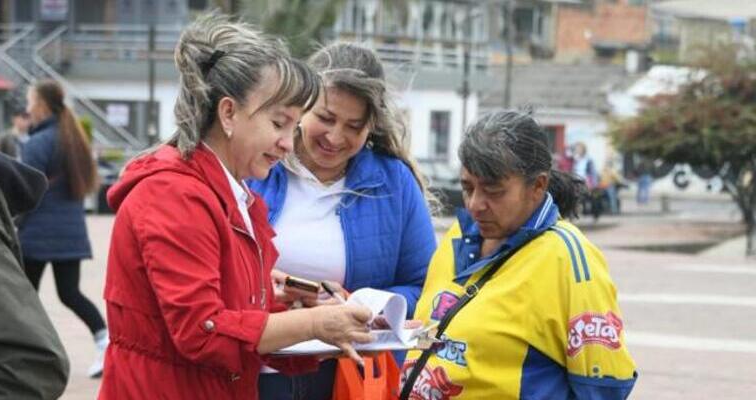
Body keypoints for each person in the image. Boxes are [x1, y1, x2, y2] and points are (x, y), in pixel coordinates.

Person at [98, 13, 373, 400]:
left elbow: (235, 320)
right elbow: (202, 329)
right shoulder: (174, 196)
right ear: (228, 113)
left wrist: (317, 320)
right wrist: (313, 323)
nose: (287, 144)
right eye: (278, 123)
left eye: (291, 127)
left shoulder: (231, 195)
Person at [400, 111, 637, 399]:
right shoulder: (458, 236)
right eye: (467, 188)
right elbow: (450, 336)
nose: (475, 205)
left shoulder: (568, 258)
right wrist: (399, 332)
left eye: (493, 191)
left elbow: (605, 388)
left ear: (537, 186)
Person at [249, 42, 438, 400]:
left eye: (354, 126)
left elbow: (425, 286)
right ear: (301, 106)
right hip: (257, 368)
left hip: (350, 375)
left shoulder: (394, 182)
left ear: (372, 126)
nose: (335, 137)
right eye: (326, 118)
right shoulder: (258, 165)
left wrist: (368, 306)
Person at [0, 103, 70, 399]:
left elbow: (32, 361)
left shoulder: (36, 143)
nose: (25, 117)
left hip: (33, 230)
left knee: (61, 297)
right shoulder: (67, 139)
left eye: (28, 110)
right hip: (50, 233)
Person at [17, 79, 109, 378]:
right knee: (70, 293)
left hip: (38, 234)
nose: (28, 108)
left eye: (30, 102)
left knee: (22, 297)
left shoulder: (37, 143)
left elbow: (25, 191)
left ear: (42, 105)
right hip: (70, 232)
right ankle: (104, 341)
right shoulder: (73, 137)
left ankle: (31, 355)